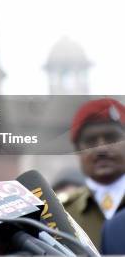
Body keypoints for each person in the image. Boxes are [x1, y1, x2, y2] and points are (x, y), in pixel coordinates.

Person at [61, 98, 125, 248]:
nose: (101, 149)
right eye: (90, 141)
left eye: (111, 138)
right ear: (77, 150)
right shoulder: (62, 215)